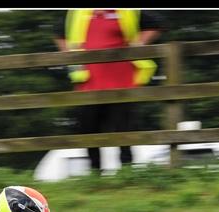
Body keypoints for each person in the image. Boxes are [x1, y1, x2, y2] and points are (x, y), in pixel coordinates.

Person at [54, 9, 162, 172]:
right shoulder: (76, 12)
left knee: (124, 128)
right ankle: (95, 171)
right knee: (88, 128)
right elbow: (58, 33)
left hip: (122, 80)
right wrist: (70, 55)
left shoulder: (127, 11)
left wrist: (138, 46)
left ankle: (127, 171)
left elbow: (156, 24)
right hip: (88, 81)